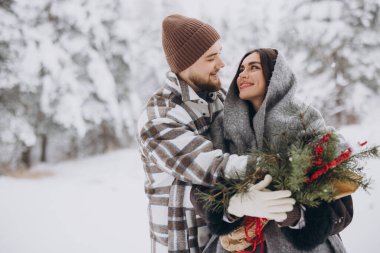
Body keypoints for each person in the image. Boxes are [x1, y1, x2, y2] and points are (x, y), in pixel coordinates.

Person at [137, 16, 295, 252]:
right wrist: (277, 167)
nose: (222, 63)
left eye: (219, 53)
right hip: (184, 243)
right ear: (185, 65)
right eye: (211, 58)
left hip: (223, 240)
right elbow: (213, 166)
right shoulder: (158, 118)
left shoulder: (220, 97)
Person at [191, 48, 353, 253]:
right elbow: (200, 188)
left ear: (277, 76)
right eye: (241, 69)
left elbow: (341, 208)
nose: (242, 74)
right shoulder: (220, 127)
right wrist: (233, 206)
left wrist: (295, 215)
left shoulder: (307, 120)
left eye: (254, 67)